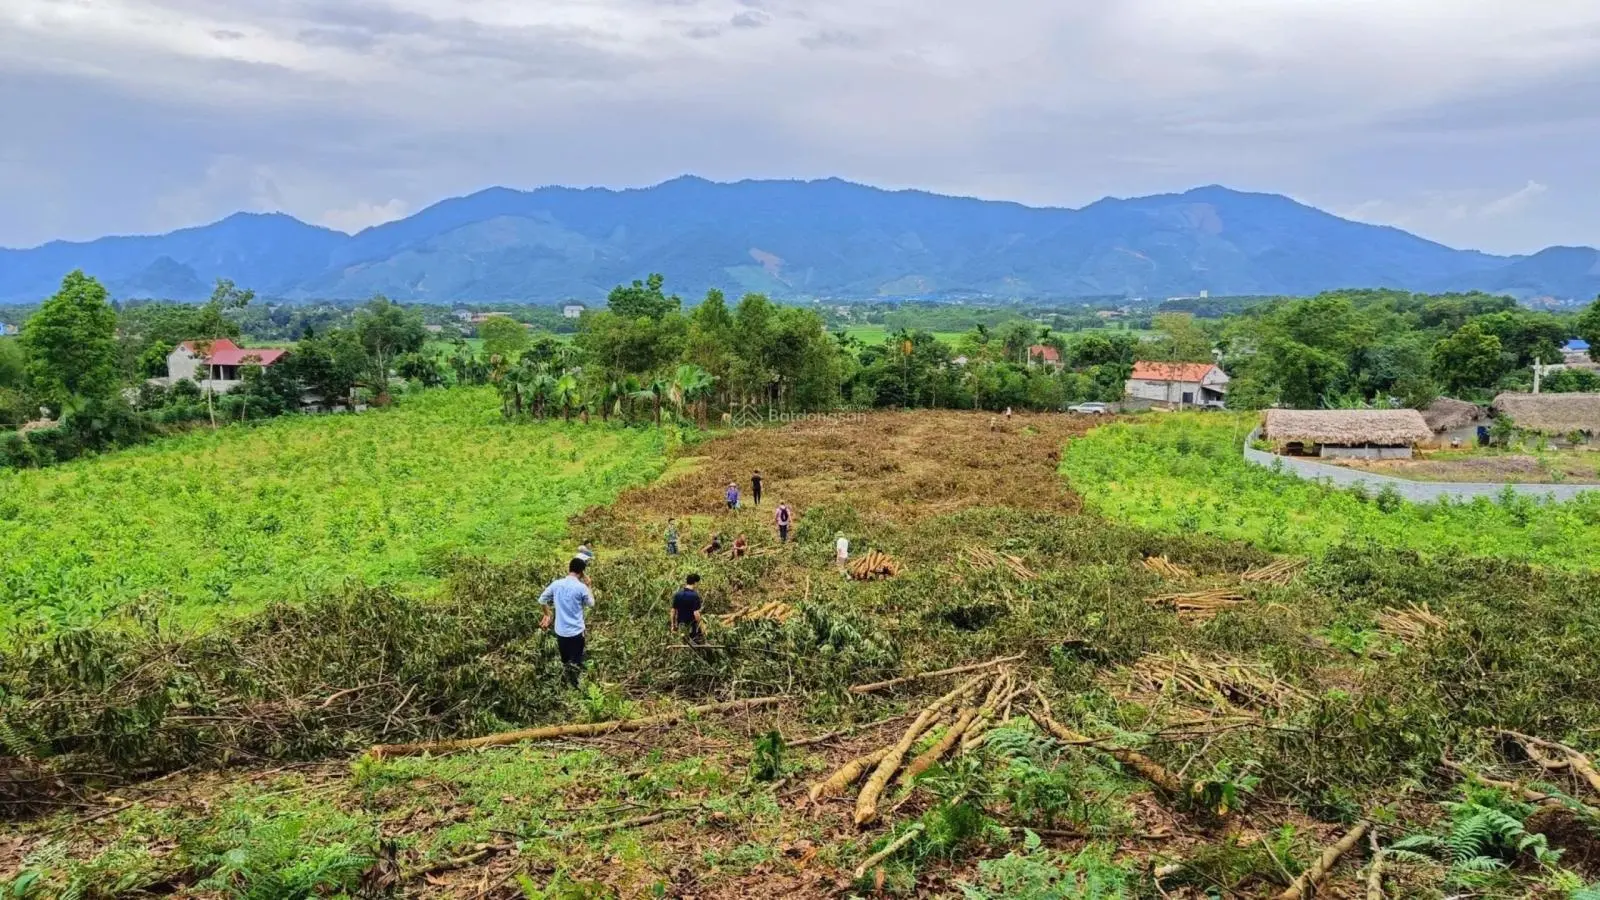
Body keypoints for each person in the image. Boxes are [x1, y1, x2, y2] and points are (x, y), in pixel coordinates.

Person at [539, 557, 595, 688]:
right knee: (576, 661)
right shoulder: (581, 587)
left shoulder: (556, 584)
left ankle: (565, 682)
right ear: (582, 573)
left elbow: (541, 600)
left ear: (569, 569)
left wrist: (547, 614)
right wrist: (589, 586)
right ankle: (575, 686)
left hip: (561, 631)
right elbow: (591, 604)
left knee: (565, 660)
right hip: (576, 632)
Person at [671, 573, 704, 642]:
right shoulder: (694, 596)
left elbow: (673, 611)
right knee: (694, 644)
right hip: (692, 627)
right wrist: (701, 627)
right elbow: (696, 613)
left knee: (682, 642)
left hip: (681, 625)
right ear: (695, 583)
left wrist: (673, 625)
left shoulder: (678, 594)